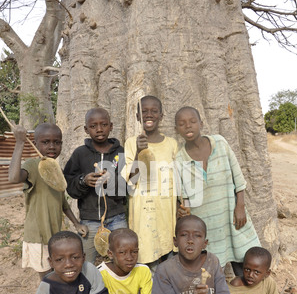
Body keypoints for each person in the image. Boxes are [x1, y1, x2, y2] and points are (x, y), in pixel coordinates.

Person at [175, 106, 260, 276]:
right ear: (177, 129)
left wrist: (240, 206)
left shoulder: (220, 143)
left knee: (244, 263)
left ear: (201, 123)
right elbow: (183, 197)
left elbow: (238, 178)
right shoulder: (179, 159)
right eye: (182, 124)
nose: (188, 126)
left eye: (192, 121)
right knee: (213, 271)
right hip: (207, 223)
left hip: (232, 217)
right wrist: (181, 208)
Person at [9, 123, 88, 280]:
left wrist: (76, 223)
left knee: (57, 275)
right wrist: (19, 142)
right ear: (36, 142)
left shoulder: (55, 168)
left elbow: (62, 203)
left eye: (57, 142)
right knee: (47, 279)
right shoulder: (32, 165)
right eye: (46, 142)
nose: (52, 146)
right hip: (39, 237)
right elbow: (13, 178)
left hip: (55, 236)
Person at [64, 107, 127, 264]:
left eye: (104, 124)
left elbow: (128, 185)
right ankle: (89, 288)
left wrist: (110, 181)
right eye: (93, 126)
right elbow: (70, 185)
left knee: (123, 258)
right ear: (86, 129)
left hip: (117, 217)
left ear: (111, 126)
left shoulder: (121, 153)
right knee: (86, 263)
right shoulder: (79, 154)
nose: (99, 129)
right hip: (89, 220)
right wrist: (83, 181)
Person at [124, 95, 178, 271]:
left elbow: (177, 179)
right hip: (144, 215)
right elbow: (131, 180)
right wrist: (140, 151)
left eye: (154, 111)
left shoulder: (171, 144)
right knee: (149, 264)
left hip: (167, 214)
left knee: (169, 260)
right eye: (144, 111)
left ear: (161, 115)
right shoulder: (132, 143)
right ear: (138, 116)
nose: (149, 115)